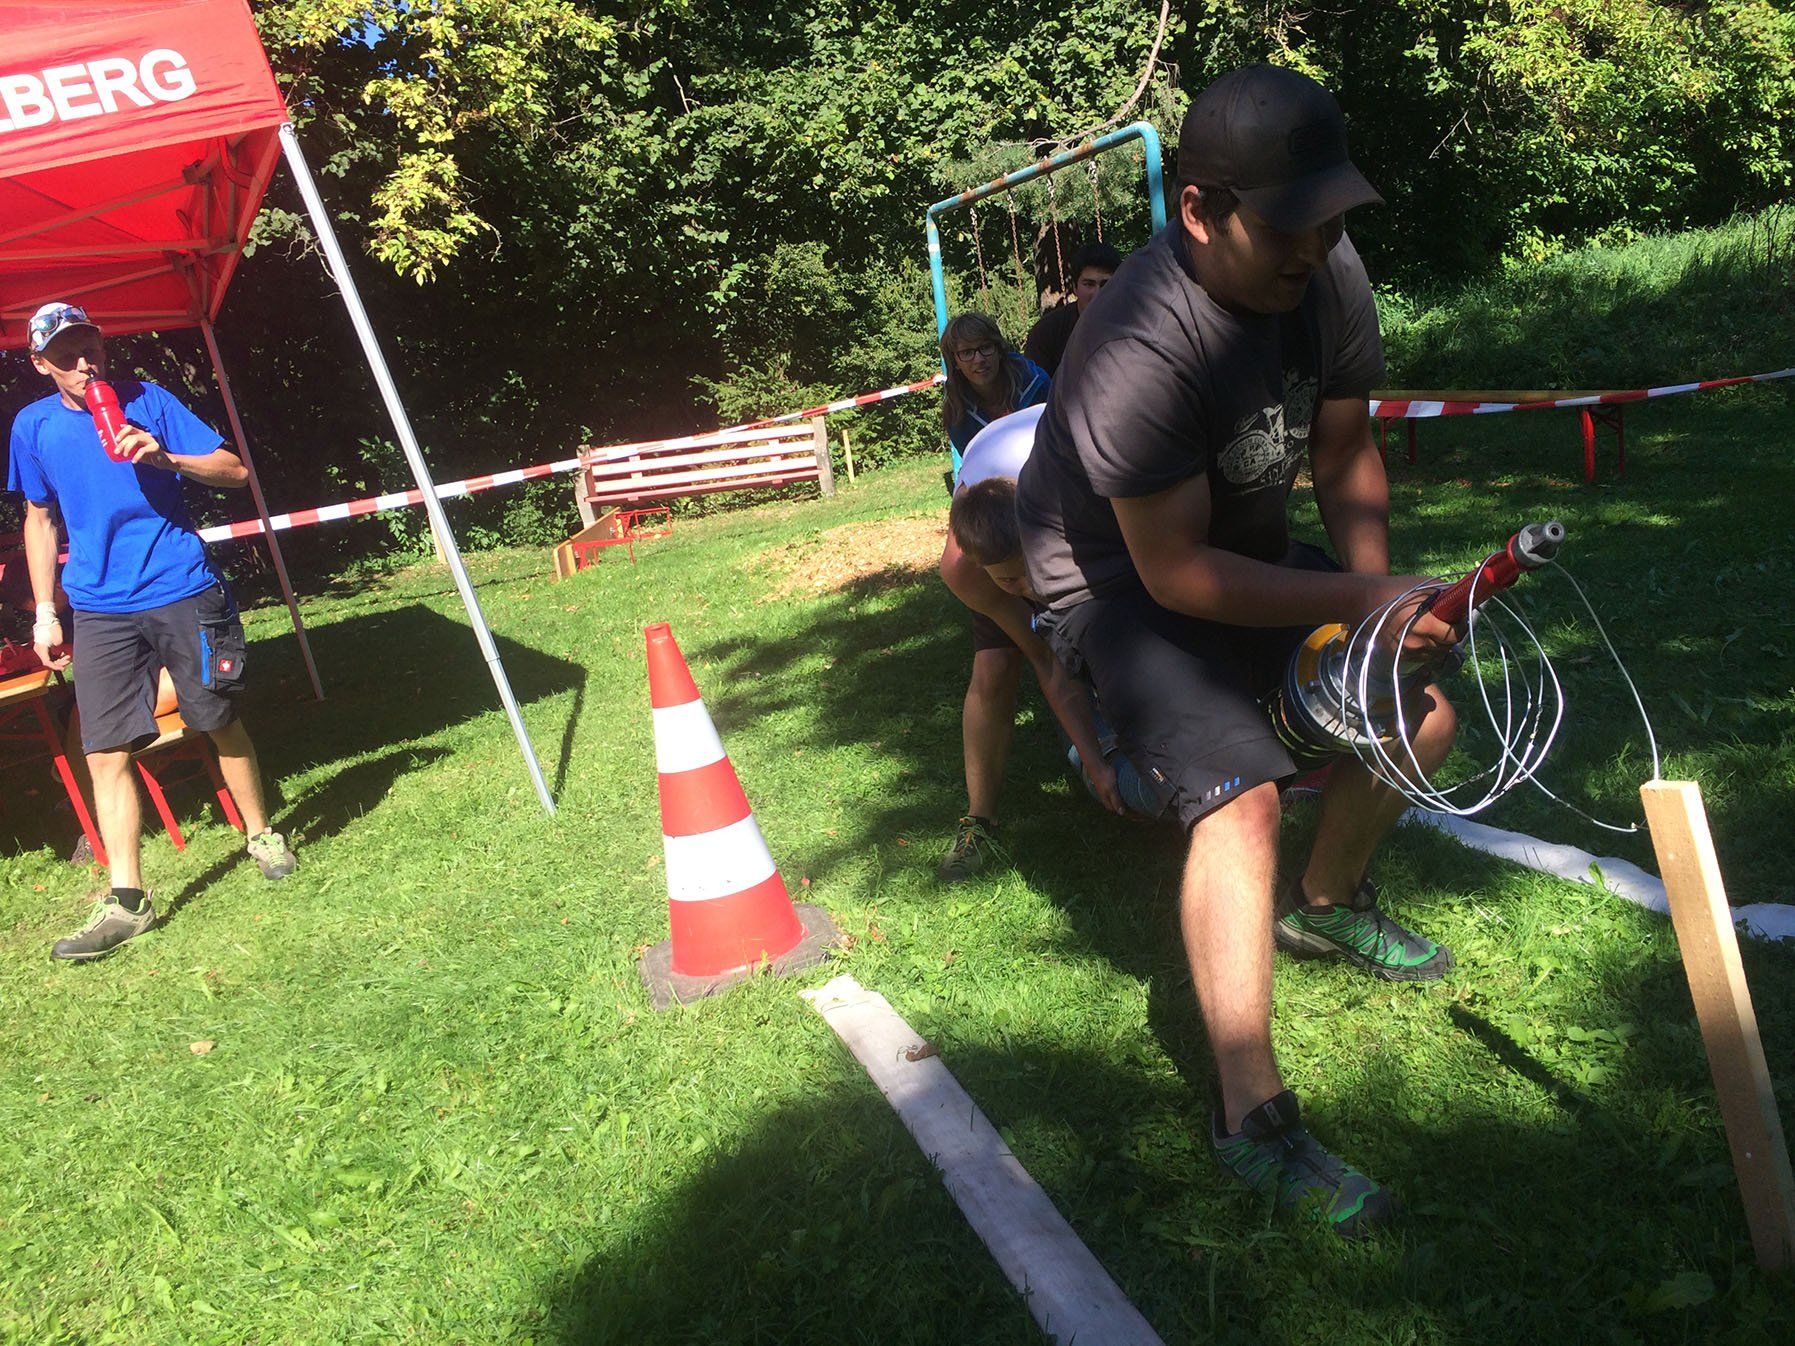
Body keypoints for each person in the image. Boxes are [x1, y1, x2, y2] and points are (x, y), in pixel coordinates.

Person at [1016, 65, 1460, 1236]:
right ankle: (1248, 1116)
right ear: (1199, 211)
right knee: (1240, 798)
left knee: (1418, 714)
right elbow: (1173, 572)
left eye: (1331, 221)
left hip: (1241, 550)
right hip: (1122, 584)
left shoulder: (1320, 267)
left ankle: (1324, 900)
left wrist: (1371, 615)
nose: (1313, 247)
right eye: (1287, 224)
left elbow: (1345, 449)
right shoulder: (1133, 339)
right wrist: (1364, 592)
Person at [8, 302, 297, 961]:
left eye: (90, 347)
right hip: (99, 606)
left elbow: (234, 470)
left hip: (180, 586)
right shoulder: (34, 426)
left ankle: (260, 834)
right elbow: (38, 518)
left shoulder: (149, 399)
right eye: (66, 355)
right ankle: (127, 902)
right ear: (41, 364)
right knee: (104, 750)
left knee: (217, 718)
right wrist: (46, 612)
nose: (85, 363)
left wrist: (166, 457)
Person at [935, 397, 1124, 883]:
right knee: (995, 667)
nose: (1026, 590)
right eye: (1008, 581)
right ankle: (979, 821)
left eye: (1029, 574)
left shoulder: (1078, 504)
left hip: (1069, 478)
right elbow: (1044, 659)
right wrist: (1094, 761)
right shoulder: (965, 571)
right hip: (1002, 473)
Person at [940, 313, 1050, 462]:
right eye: (967, 352)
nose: (979, 359)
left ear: (999, 349)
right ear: (955, 362)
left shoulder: (1037, 383)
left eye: (985, 347)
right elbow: (976, 467)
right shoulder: (957, 415)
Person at [1023, 241, 1123, 375]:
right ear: (1074, 288)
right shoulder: (1047, 332)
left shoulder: (1133, 326)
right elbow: (1035, 384)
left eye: (1105, 284)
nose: (1097, 293)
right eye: (1089, 284)